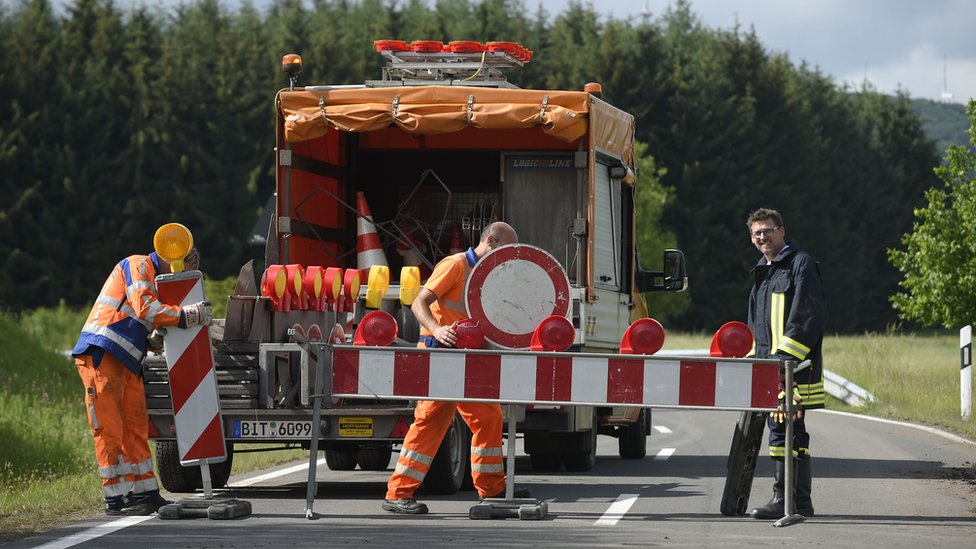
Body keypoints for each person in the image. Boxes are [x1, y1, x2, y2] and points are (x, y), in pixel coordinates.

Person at [383, 221, 528, 514]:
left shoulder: (488, 276)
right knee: (431, 420)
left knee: (489, 416)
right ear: (491, 241)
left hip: (467, 360)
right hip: (441, 357)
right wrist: (437, 329)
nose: (509, 257)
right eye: (507, 249)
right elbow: (419, 303)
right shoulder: (456, 265)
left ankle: (493, 490)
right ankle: (398, 494)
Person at [72, 241, 212, 516]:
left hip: (128, 360)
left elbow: (145, 321)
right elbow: (145, 308)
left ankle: (146, 493)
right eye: (185, 266)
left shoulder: (156, 281)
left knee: (135, 430)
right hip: (102, 354)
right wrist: (187, 315)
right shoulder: (138, 264)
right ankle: (116, 498)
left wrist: (157, 338)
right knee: (110, 430)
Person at [744, 208, 826, 519]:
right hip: (769, 371)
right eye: (757, 233)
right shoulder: (763, 273)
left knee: (784, 432)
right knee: (791, 433)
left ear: (782, 231)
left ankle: (784, 499)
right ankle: (799, 502)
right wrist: (754, 365)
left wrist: (783, 364)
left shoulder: (799, 264)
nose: (762, 237)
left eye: (768, 230)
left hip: (792, 371)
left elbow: (807, 317)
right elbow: (757, 328)